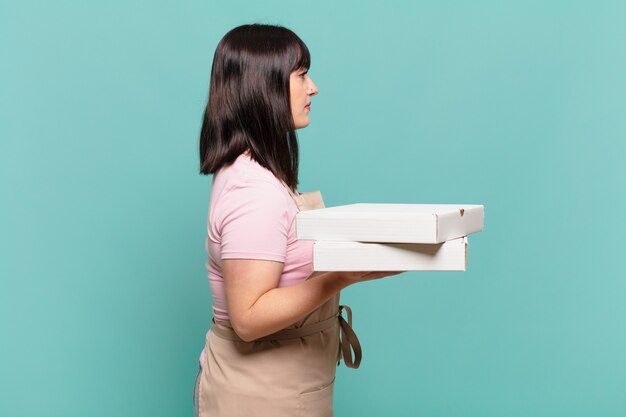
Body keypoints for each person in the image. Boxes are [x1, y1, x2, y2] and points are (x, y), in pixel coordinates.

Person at [194, 23, 402, 417]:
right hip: (262, 397)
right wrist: (341, 276)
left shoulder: (257, 174)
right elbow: (250, 318)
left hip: (283, 389)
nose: (313, 88)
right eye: (302, 75)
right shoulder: (253, 191)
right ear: (263, 86)